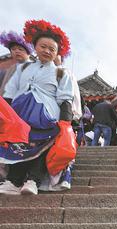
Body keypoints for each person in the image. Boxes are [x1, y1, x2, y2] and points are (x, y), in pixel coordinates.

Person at [0, 19, 73, 195]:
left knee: (42, 147)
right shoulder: (22, 68)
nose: (47, 51)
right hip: (19, 115)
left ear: (57, 53)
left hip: (47, 115)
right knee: (19, 146)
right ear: (35, 47)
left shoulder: (61, 72)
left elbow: (65, 98)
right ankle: (14, 181)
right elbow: (9, 93)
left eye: (52, 49)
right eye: (43, 46)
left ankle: (33, 180)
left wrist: (65, 122)